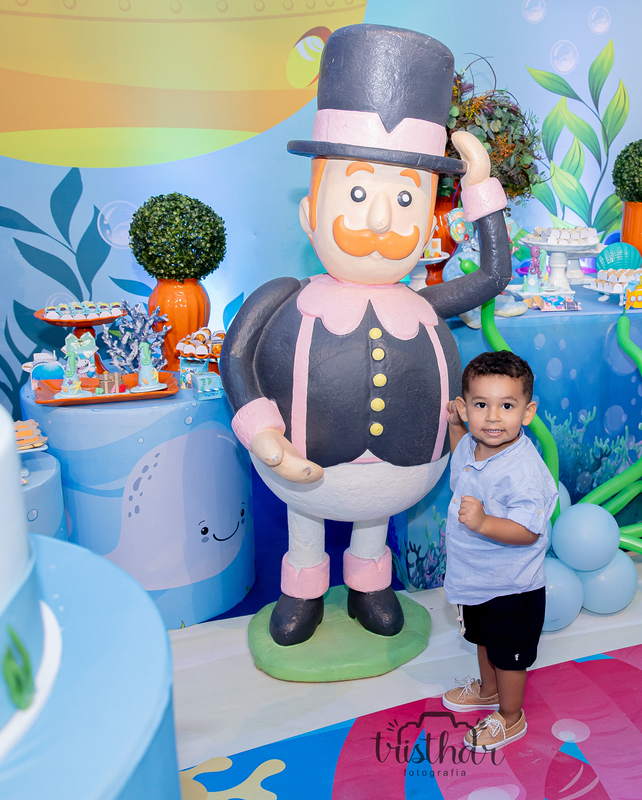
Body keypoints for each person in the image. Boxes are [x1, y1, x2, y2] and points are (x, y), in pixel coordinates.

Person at [220, 24, 513, 648]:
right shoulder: (285, 297)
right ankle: (302, 589)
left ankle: (369, 584)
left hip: (402, 463)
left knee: (373, 521)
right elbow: (236, 356)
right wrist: (264, 432)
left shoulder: (422, 305)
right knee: (305, 517)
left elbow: (493, 275)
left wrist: (480, 186)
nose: (380, 220)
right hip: (306, 466)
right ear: (310, 212)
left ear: (429, 220)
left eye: (404, 201)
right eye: (357, 193)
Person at [440, 351, 558, 752]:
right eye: (480, 405)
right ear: (465, 408)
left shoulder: (522, 470)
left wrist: (484, 522)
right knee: (483, 640)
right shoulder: (471, 444)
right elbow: (459, 459)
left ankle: (510, 715)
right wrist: (455, 426)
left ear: (527, 412)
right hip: (474, 577)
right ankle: (487, 691)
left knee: (508, 656)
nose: (493, 418)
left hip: (512, 587)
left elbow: (527, 531)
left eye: (506, 406)